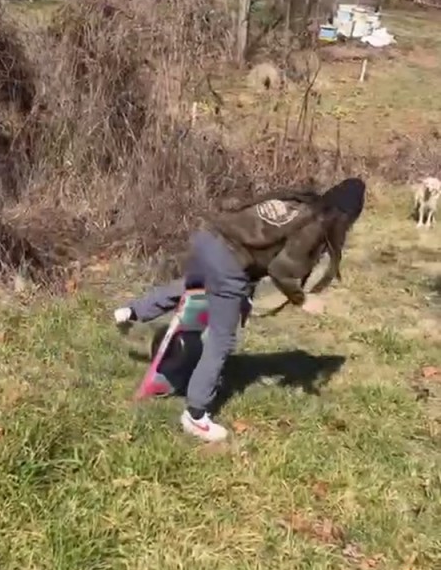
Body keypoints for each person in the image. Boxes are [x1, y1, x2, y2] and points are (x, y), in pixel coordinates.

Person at [114, 178, 366, 442]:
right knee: (222, 338)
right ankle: (196, 414)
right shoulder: (314, 226)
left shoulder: (297, 202)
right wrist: (302, 300)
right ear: (347, 215)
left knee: (194, 287)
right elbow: (282, 269)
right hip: (228, 263)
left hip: (208, 239)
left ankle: (132, 311)